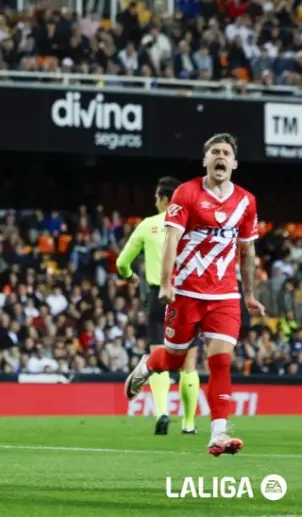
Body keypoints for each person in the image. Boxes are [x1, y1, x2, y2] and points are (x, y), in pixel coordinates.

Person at [124, 133, 263, 456]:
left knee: (220, 361)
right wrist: (166, 283)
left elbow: (248, 249)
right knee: (172, 358)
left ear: (234, 163)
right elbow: (171, 239)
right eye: (215, 152)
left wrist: (251, 294)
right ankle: (147, 366)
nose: (220, 157)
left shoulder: (246, 201)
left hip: (225, 295)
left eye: (226, 153)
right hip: (186, 292)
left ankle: (218, 434)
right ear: (205, 160)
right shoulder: (186, 193)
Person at [116, 176, 201, 436]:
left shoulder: (147, 225)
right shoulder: (192, 223)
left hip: (157, 296)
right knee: (189, 363)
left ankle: (162, 413)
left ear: (164, 199)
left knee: (159, 358)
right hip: (186, 295)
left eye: (156, 197)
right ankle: (188, 424)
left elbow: (122, 263)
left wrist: (131, 277)